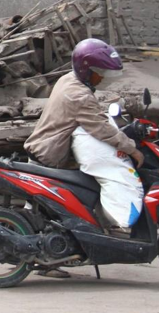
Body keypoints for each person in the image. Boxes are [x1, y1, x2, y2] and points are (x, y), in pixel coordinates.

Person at [24, 38, 145, 230]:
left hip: (42, 147)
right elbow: (101, 128)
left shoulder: (68, 80)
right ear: (86, 70)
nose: (102, 77)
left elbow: (93, 116)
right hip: (49, 156)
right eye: (100, 73)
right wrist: (132, 149)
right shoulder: (79, 95)